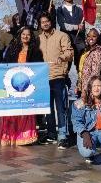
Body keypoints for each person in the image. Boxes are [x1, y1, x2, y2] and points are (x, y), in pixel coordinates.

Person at [0, 26, 43, 146]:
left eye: (28, 34)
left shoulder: (36, 51)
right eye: (23, 34)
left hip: (27, 87)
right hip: (12, 86)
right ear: (20, 35)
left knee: (25, 112)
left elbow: (38, 69)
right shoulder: (12, 49)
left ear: (31, 36)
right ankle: (9, 137)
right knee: (11, 111)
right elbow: (4, 64)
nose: (25, 36)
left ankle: (23, 137)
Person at [37, 12, 74, 149]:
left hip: (58, 77)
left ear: (51, 22)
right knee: (48, 109)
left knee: (61, 108)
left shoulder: (62, 36)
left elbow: (70, 53)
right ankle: (51, 133)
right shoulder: (38, 38)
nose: (45, 23)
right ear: (40, 25)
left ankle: (63, 136)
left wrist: (62, 57)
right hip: (43, 78)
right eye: (42, 22)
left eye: (47, 21)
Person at [55, 0, 85, 75]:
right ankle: (64, 84)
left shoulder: (80, 9)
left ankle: (80, 85)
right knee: (65, 65)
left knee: (80, 65)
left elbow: (84, 25)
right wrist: (76, 27)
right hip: (66, 41)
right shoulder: (60, 10)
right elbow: (63, 25)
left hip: (79, 40)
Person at [77, 28, 101, 99]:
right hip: (84, 86)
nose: (91, 38)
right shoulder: (88, 50)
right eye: (89, 36)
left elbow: (95, 72)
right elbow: (83, 70)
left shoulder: (98, 51)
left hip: (91, 88)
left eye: (94, 36)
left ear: (98, 38)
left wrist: (86, 89)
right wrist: (79, 85)